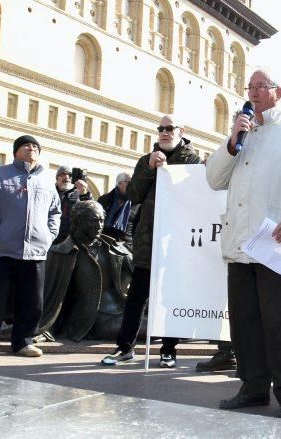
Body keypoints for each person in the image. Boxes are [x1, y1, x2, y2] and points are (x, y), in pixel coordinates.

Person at [206, 68, 281, 420]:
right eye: (251, 87)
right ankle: (252, 387)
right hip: (240, 245)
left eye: (263, 86)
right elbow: (214, 179)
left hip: (277, 243)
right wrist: (232, 142)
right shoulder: (241, 133)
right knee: (245, 321)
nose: (255, 92)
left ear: (279, 92)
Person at [101, 115, 200, 368]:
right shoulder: (147, 159)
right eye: (161, 129)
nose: (164, 133)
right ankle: (125, 348)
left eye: (170, 128)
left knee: (170, 298)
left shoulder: (192, 159)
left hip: (175, 241)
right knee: (136, 297)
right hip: (147, 240)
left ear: (181, 131)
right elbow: (133, 195)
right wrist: (148, 168)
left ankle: (169, 349)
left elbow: (194, 198)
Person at [0, 136, 61, 359]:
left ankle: (23, 342)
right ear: (15, 151)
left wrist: (48, 237)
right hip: (4, 248)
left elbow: (55, 212)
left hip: (36, 251)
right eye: (26, 145)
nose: (31, 148)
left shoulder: (47, 180)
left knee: (32, 301)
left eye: (36, 146)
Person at [39, 200, 133, 342]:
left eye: (102, 220)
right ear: (78, 221)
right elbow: (49, 297)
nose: (99, 226)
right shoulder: (61, 253)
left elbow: (143, 276)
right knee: (151, 329)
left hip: (122, 310)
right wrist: (44, 327)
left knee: (158, 321)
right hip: (93, 321)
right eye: (93, 221)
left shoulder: (114, 248)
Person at [97, 172, 139, 251]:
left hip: (127, 247)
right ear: (119, 184)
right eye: (130, 182)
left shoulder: (138, 202)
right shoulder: (104, 200)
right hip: (103, 244)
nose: (134, 185)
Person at [54, 165, 91, 244]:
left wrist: (84, 195)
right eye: (62, 174)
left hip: (71, 240)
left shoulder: (80, 194)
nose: (66, 177)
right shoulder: (50, 192)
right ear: (57, 179)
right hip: (51, 238)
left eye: (70, 175)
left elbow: (91, 211)